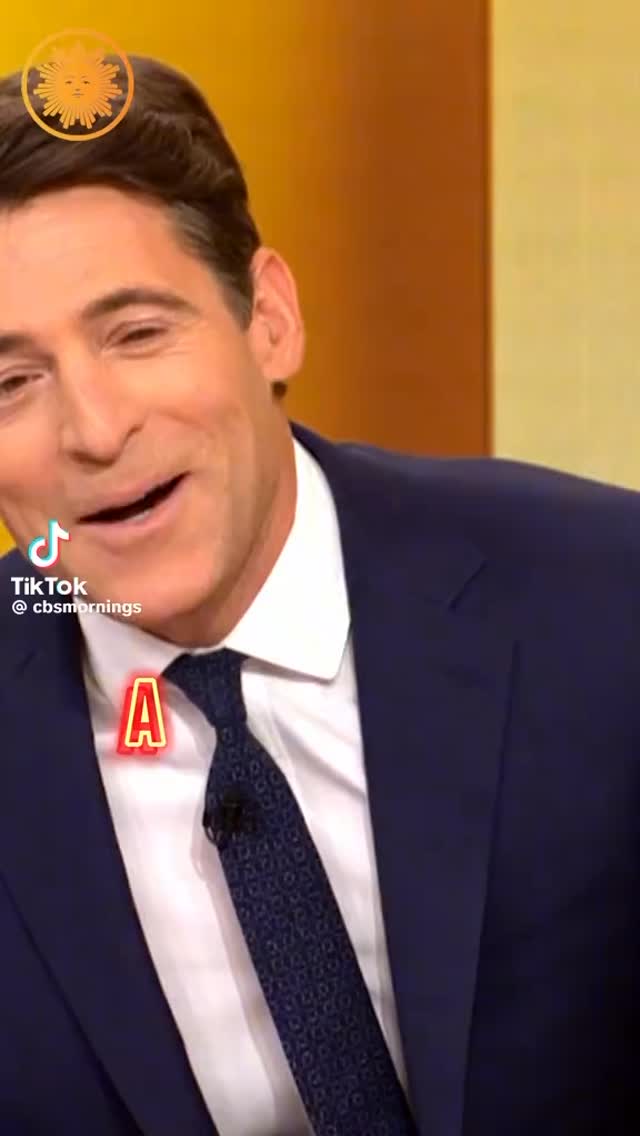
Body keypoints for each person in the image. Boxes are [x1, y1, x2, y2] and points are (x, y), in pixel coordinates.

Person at [0, 51, 639, 1136]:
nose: (96, 431)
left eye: (138, 333)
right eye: (13, 382)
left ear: (269, 319)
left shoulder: (602, 599)